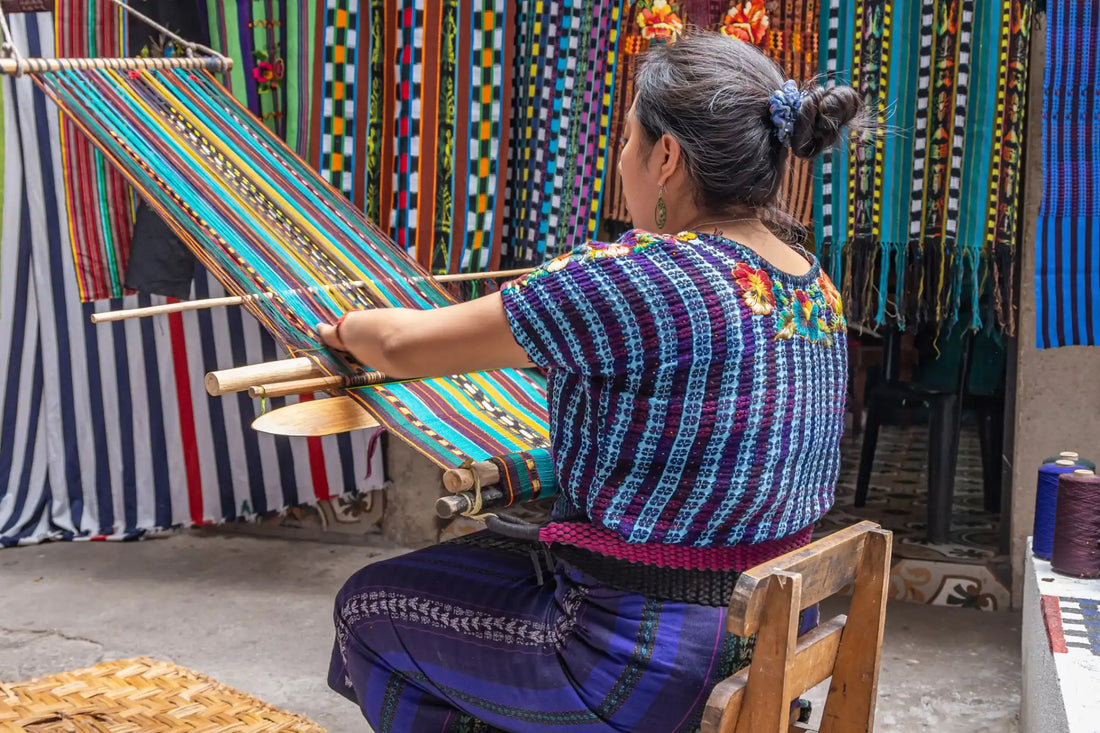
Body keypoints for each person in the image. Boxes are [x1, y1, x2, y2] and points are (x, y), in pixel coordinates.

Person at [316, 31, 861, 733]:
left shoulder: (636, 276)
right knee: (484, 559)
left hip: (633, 671)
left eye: (629, 139)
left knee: (367, 606)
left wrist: (340, 324)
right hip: (763, 647)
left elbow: (397, 345)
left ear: (667, 157)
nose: (620, 160)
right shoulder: (812, 285)